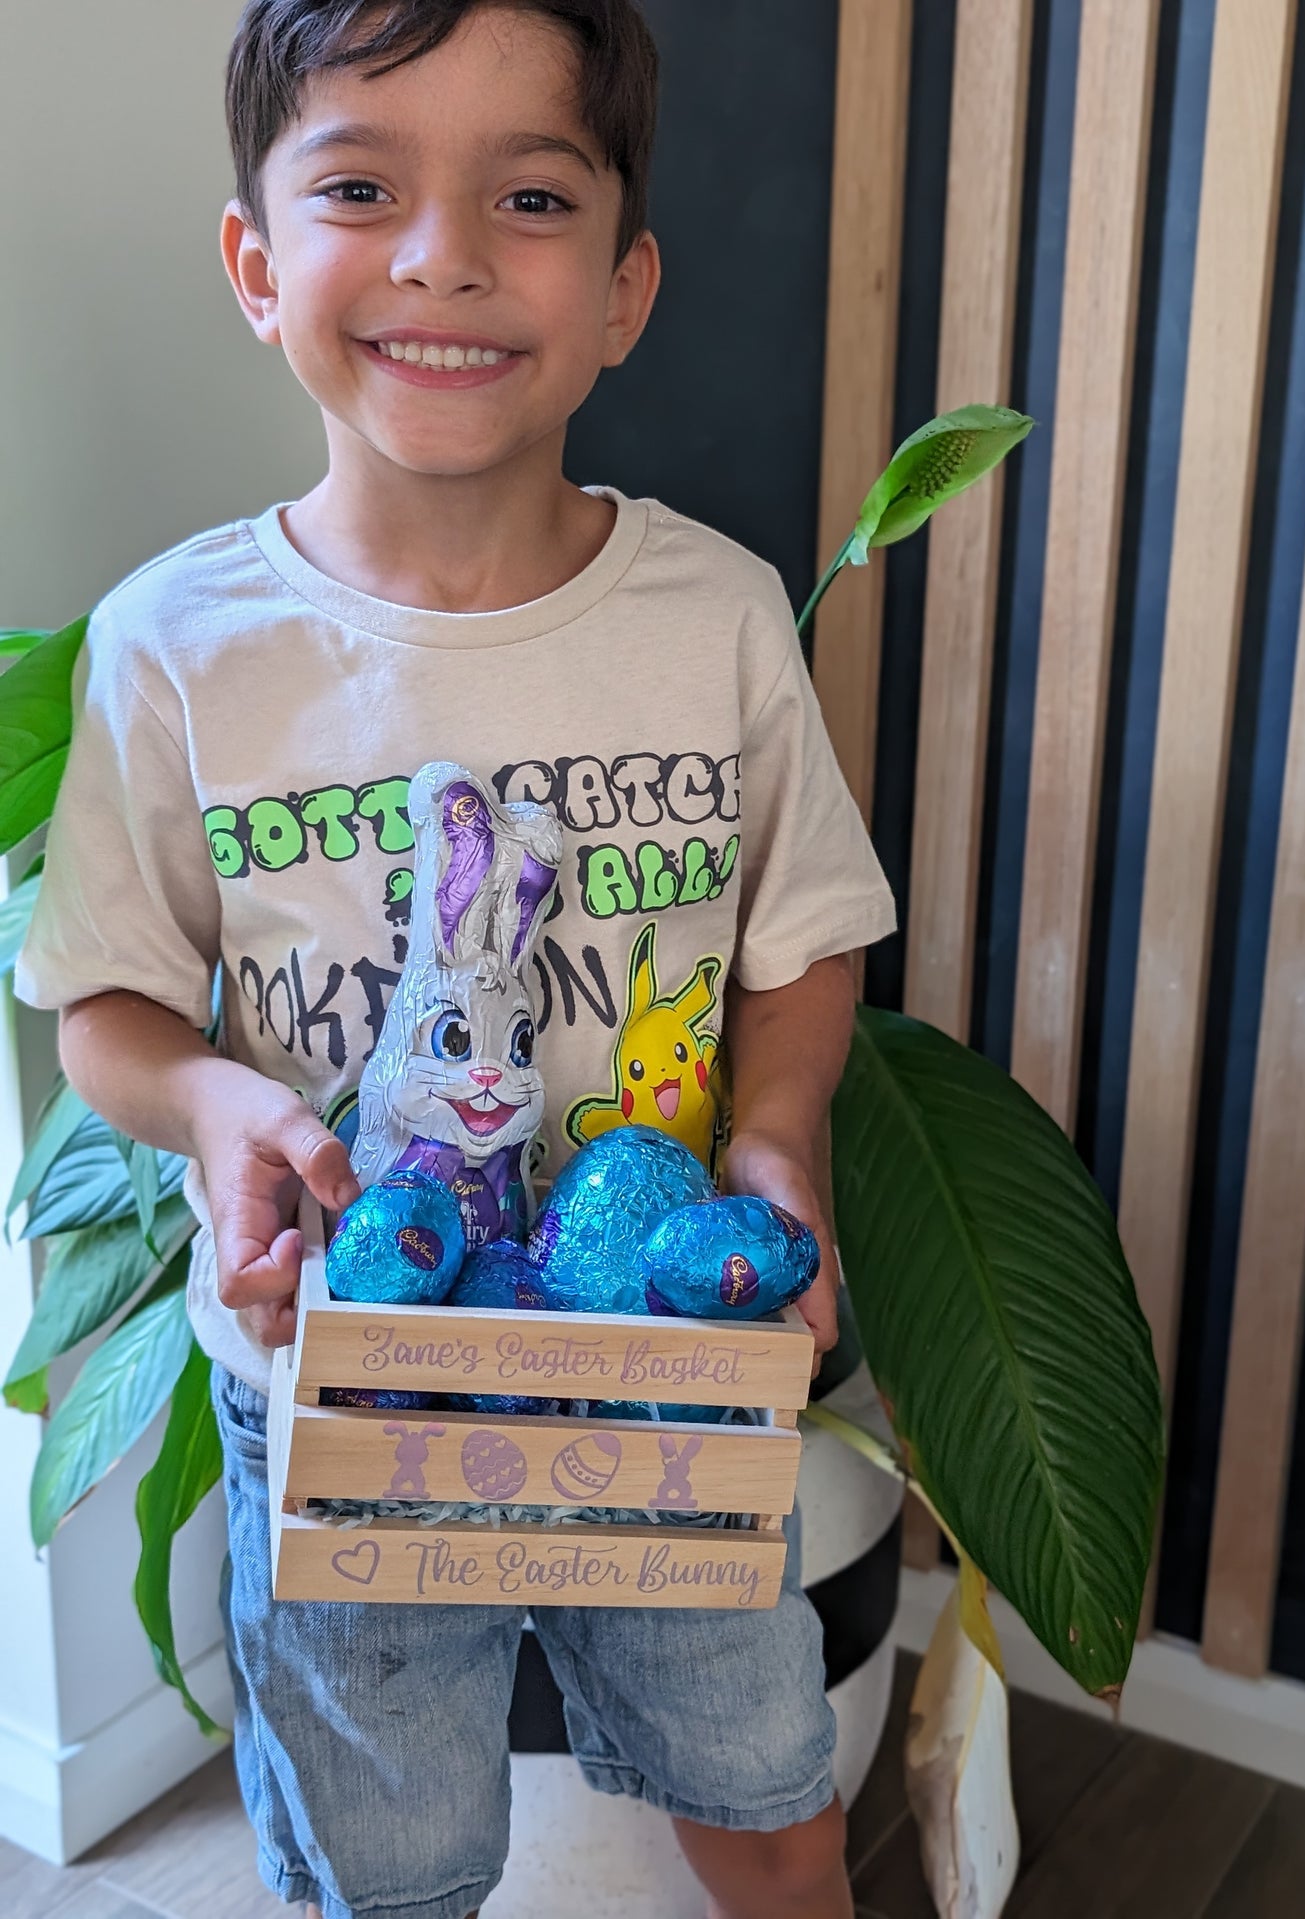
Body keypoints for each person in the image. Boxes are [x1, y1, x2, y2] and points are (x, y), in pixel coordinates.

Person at [16, 3, 896, 1915]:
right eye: (359, 186)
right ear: (257, 263)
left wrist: (779, 1142)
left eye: (530, 194)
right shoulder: (182, 646)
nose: (442, 254)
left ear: (625, 285)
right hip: (347, 1366)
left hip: (663, 1360)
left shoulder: (715, 616)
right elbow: (105, 1007)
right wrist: (224, 1103)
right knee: (390, 1852)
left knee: (764, 1783)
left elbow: (803, 934)